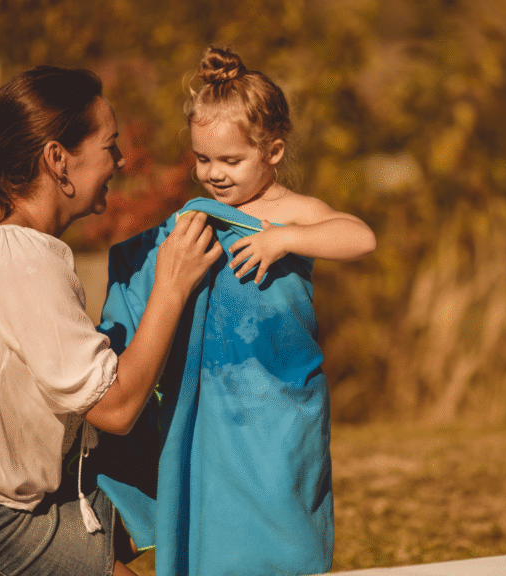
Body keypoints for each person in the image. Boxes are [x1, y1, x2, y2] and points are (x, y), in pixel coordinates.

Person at [0, 65, 223, 576]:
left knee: (124, 502)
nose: (120, 160)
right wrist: (172, 285)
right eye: (108, 146)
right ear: (58, 160)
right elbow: (115, 408)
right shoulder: (18, 255)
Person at [92, 45, 376, 576]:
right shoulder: (199, 220)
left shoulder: (291, 212)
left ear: (272, 152)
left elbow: (361, 237)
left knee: (281, 511)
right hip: (210, 403)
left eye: (231, 161)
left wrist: (285, 239)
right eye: (203, 160)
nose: (215, 175)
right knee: (211, 517)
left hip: (280, 400)